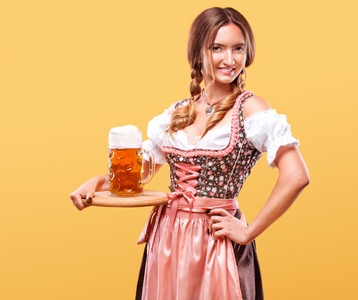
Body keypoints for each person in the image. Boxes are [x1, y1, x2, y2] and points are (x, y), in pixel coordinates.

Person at [70, 7, 309, 300]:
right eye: (217, 48)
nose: (229, 59)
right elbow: (136, 179)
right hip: (167, 240)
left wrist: (248, 232)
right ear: (198, 53)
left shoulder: (251, 109)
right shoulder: (177, 113)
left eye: (238, 49)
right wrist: (96, 183)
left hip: (216, 241)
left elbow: (297, 176)